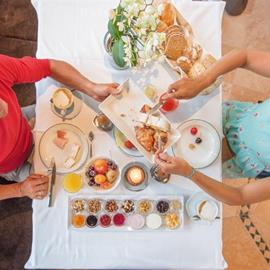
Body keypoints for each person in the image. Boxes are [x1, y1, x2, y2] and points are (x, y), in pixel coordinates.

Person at [156, 48, 270, 205]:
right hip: (231, 116)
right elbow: (246, 56)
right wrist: (201, 81)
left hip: (233, 159)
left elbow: (241, 196)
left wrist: (189, 173)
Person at [0, 54, 119, 201]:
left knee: (85, 113)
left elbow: (50, 66)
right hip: (18, 164)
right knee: (64, 192)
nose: (5, 111)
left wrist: (92, 88)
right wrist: (20, 189)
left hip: (24, 121)